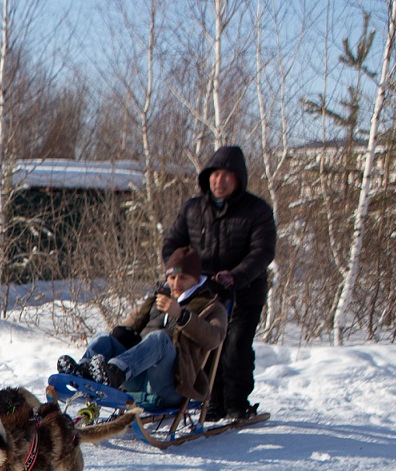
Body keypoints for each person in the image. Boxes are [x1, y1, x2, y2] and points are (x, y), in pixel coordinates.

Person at [160, 144, 276, 421]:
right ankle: (210, 401)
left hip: (244, 293)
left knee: (235, 347)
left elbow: (262, 252)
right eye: (214, 175)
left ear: (238, 179)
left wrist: (235, 275)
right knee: (203, 345)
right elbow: (172, 245)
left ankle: (236, 403)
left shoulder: (257, 211)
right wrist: (178, 273)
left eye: (226, 176)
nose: (219, 181)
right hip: (203, 292)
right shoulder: (193, 209)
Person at [57, 247, 228, 411]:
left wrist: (182, 316)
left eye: (183, 277)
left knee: (159, 338)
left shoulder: (211, 305)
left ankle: (114, 373)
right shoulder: (157, 299)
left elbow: (215, 338)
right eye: (172, 277)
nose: (176, 283)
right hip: (138, 377)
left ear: (196, 280)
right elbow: (126, 327)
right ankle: (83, 374)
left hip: (173, 386)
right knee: (104, 339)